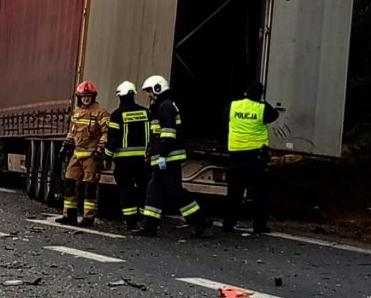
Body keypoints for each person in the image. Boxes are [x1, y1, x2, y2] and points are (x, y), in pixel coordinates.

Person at [133, 75, 211, 238]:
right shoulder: (161, 107)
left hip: (169, 158)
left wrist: (161, 154)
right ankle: (149, 226)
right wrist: (151, 152)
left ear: (158, 89)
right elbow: (156, 135)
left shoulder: (166, 106)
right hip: (163, 159)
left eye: (150, 91)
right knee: (154, 192)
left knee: (175, 192)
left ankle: (199, 221)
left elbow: (168, 133)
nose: (149, 95)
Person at [223, 82, 279, 234]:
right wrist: (261, 101)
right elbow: (274, 115)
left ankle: (228, 224)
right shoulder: (262, 108)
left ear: (245, 92)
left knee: (234, 192)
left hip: (235, 154)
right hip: (255, 156)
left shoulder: (233, 106)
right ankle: (259, 225)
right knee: (258, 193)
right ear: (260, 95)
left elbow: (224, 116)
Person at [57, 81, 109, 227]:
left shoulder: (101, 112)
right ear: (79, 97)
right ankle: (69, 214)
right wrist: (65, 146)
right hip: (77, 153)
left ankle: (88, 217)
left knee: (90, 187)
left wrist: (100, 149)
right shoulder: (77, 111)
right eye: (83, 96)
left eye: (89, 96)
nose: (86, 98)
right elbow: (73, 131)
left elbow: (106, 133)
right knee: (69, 182)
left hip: (91, 156)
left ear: (93, 96)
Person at [106, 81, 152, 232]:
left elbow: (113, 139)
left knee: (126, 191)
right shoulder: (146, 113)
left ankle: (130, 222)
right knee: (145, 189)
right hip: (144, 160)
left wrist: (106, 156)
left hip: (123, 162)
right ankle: (146, 221)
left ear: (120, 96)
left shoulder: (117, 115)